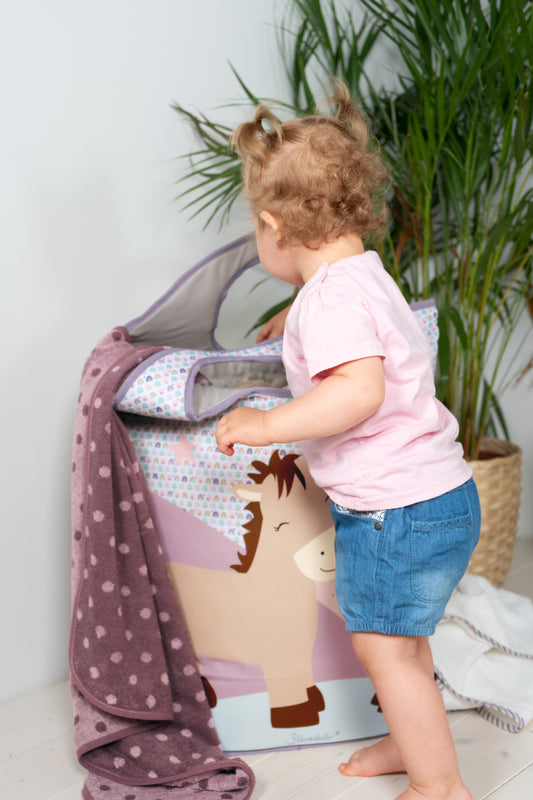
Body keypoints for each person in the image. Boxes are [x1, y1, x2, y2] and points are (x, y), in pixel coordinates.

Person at [215, 82, 480, 800]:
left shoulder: (328, 301)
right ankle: (409, 736)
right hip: (439, 496)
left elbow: (357, 391)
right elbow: (354, 334)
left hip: (393, 512)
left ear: (271, 225)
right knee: (404, 643)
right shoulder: (361, 277)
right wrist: (296, 316)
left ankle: (439, 785)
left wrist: (265, 425)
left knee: (384, 649)